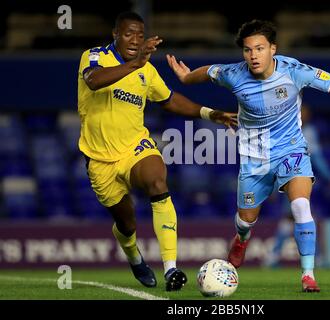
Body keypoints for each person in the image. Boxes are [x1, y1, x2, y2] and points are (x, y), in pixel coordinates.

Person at [166, 19, 330, 292]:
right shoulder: (234, 74)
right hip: (254, 158)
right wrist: (187, 77)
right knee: (246, 219)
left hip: (291, 150)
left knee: (300, 207)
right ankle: (241, 238)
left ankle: (308, 275)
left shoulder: (294, 70)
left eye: (259, 48)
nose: (253, 55)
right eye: (248, 50)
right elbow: (208, 72)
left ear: (273, 48)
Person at [77, 11, 237, 291]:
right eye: (129, 34)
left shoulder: (147, 72)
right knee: (126, 224)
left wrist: (211, 114)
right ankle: (134, 256)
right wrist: (136, 63)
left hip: (135, 148)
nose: (135, 40)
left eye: (140, 35)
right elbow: (93, 80)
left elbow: (170, 100)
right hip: (100, 159)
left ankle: (171, 269)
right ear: (115, 34)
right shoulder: (94, 56)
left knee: (157, 180)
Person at [263, 104, 330, 268]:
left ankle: (273, 257)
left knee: (292, 219)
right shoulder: (285, 131)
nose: (303, 116)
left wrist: (328, 176)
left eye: (305, 113)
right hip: (287, 179)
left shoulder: (309, 132)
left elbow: (317, 157)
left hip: (301, 179)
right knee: (301, 217)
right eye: (300, 113)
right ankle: (316, 258)